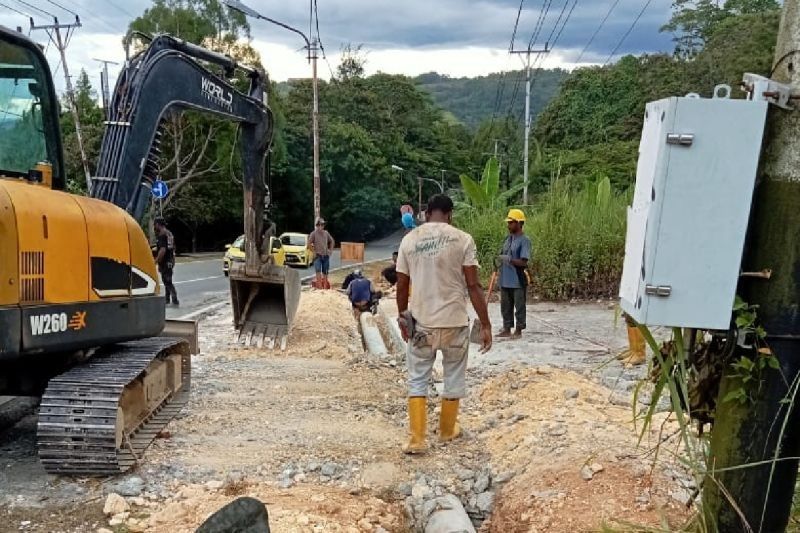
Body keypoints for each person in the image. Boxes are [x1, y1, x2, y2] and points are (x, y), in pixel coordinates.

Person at [396, 194, 492, 455]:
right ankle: (448, 430)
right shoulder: (463, 239)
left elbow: (402, 284)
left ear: (426, 214)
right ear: (450, 215)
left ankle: (417, 439)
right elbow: (473, 285)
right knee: (453, 375)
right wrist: (486, 324)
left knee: (417, 378)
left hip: (422, 324)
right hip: (455, 324)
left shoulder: (409, 240)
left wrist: (403, 316)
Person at [497, 208, 531, 339]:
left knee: (519, 306)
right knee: (505, 306)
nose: (508, 225)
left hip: (517, 279)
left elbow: (524, 262)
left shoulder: (524, 240)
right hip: (505, 278)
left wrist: (510, 260)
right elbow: (502, 253)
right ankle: (507, 328)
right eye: (508, 222)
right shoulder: (507, 239)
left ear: (518, 223)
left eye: (511, 222)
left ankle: (518, 330)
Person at [154, 217, 179, 306]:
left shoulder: (162, 234)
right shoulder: (169, 233)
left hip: (165, 261)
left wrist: (156, 261)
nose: (154, 226)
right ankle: (167, 299)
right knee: (167, 280)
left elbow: (163, 250)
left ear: (157, 224)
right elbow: (173, 247)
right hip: (170, 259)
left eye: (155, 224)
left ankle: (174, 299)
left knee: (167, 281)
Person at [308, 217, 334, 288]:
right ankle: (319, 288)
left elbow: (332, 241)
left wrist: (330, 251)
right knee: (318, 272)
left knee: (325, 273)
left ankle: (325, 288)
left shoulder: (326, 233)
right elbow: (309, 243)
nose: (321, 226)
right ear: (317, 225)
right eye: (319, 225)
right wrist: (313, 251)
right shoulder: (313, 234)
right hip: (318, 256)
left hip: (325, 256)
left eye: (322, 225)